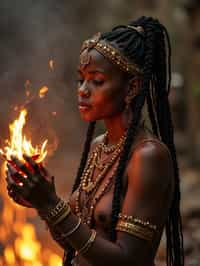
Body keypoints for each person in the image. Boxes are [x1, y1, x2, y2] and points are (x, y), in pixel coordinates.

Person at [5, 16, 184, 266]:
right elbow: (76, 244)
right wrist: (41, 203)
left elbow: (128, 260)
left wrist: (52, 203)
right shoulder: (99, 145)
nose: (83, 90)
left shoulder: (148, 156)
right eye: (81, 79)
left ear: (132, 87)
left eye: (97, 81)